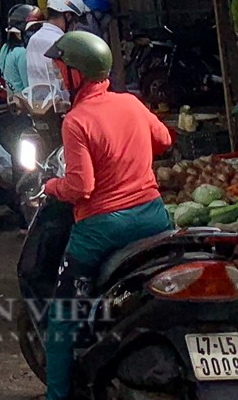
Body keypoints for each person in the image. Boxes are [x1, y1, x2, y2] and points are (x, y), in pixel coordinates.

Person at [40, 31, 175, 400]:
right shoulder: (130, 103)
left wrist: (52, 186)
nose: (57, 76)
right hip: (154, 218)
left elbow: (80, 188)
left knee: (61, 318)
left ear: (76, 75)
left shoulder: (76, 121)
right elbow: (164, 140)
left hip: (101, 229)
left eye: (60, 70)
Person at [23, 0, 88, 114]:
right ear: (68, 16)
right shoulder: (63, 42)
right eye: (74, 20)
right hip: (63, 111)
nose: (75, 26)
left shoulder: (33, 39)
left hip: (39, 109)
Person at [0, 3, 35, 101]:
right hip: (24, 103)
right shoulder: (22, 53)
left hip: (12, 100)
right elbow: (28, 86)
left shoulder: (5, 48)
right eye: (31, 29)